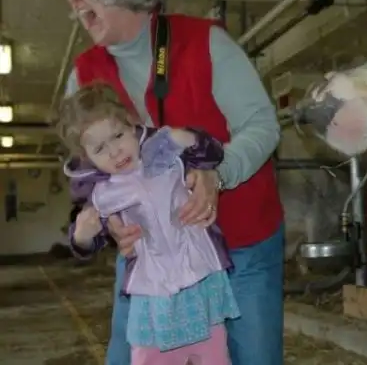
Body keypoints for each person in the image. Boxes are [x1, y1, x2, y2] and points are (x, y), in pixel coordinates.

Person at [55, 0, 284, 364]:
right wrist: (111, 222)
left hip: (242, 244)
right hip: (150, 258)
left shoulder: (205, 42)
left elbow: (263, 126)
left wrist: (219, 173)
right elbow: (89, 176)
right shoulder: (83, 77)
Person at [58, 83, 239, 365]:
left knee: (213, 355)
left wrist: (189, 138)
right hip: (153, 290)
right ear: (87, 158)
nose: (115, 152)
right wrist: (82, 236)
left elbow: (213, 153)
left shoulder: (165, 152)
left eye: (118, 135)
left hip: (198, 275)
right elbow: (90, 242)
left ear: (132, 125)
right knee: (149, 357)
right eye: (100, 148)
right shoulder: (104, 193)